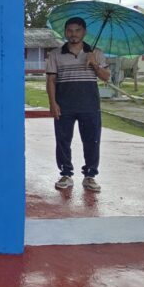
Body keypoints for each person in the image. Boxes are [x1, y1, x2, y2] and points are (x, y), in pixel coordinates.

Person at [46, 16, 110, 193]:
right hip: (64, 104)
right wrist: (53, 103)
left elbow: (106, 77)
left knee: (92, 141)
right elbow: (51, 80)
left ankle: (90, 176)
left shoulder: (96, 53)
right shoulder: (56, 54)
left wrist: (94, 64)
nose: (73, 34)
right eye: (70, 31)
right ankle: (66, 174)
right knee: (63, 141)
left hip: (90, 105)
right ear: (65, 32)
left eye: (77, 30)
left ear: (84, 32)